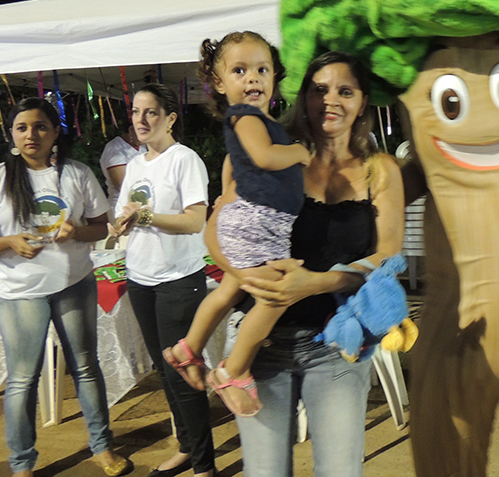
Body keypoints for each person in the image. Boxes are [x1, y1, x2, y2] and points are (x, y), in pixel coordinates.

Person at [229, 51, 404, 476]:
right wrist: (244, 274)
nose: (331, 100)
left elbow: (387, 256)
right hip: (260, 341)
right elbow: (218, 229)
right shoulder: (273, 156)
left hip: (336, 344)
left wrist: (315, 283)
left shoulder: (380, 171)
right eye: (320, 89)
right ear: (304, 97)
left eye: (345, 91)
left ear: (362, 102)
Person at [0, 97, 131, 477]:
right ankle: (22, 464)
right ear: (11, 134)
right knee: (23, 379)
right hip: (19, 293)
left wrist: (77, 232)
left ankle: (102, 447)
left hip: (74, 284)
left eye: (40, 126)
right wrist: (7, 242)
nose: (31, 135)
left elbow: (101, 228)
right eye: (21, 128)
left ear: (55, 132)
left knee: (86, 367)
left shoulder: (77, 173)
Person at [163, 31, 310, 417]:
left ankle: (188, 348)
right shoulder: (245, 117)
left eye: (262, 69)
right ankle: (233, 370)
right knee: (274, 296)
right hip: (256, 223)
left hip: (257, 223)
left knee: (229, 289)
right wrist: (299, 152)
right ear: (218, 82)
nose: (253, 78)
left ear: (275, 76)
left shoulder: (262, 121)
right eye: (240, 70)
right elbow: (264, 157)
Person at [110, 84, 215, 477]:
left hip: (178, 278)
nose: (140, 119)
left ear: (170, 119)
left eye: (150, 112)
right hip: (140, 277)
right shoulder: (136, 164)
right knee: (164, 370)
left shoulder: (184, 160)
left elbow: (195, 221)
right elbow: (126, 212)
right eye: (136, 111)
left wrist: (146, 217)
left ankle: (204, 465)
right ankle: (186, 448)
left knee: (183, 371)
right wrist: (121, 224)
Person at [99, 122, 145, 221]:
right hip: (122, 209)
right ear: (131, 129)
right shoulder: (115, 148)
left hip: (142, 205)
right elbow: (121, 185)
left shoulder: (142, 145)